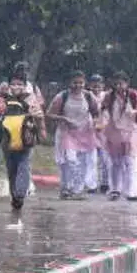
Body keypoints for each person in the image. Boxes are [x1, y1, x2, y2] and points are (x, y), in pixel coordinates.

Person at [0, 71, 46, 210]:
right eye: (13, 84)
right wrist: (2, 108)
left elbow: (39, 116)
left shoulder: (31, 99)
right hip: (7, 139)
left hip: (26, 138)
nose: (16, 87)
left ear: (25, 85)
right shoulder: (2, 98)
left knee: (24, 165)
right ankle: (14, 196)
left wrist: (41, 129)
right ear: (8, 85)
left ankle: (20, 194)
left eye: (19, 84)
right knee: (11, 168)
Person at [46, 70, 99, 200]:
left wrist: (96, 124)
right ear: (70, 83)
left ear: (84, 83)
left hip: (84, 133)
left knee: (81, 162)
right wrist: (64, 119)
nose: (78, 85)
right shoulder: (62, 96)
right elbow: (49, 114)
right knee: (69, 160)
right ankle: (66, 187)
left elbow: (96, 113)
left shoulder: (89, 96)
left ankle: (77, 189)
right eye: (75, 82)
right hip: (66, 133)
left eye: (81, 82)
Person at [101, 71, 137, 201]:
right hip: (114, 132)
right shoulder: (109, 96)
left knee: (130, 161)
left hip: (130, 132)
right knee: (115, 162)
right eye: (116, 83)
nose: (119, 86)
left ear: (127, 83)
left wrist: (134, 112)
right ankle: (115, 189)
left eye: (121, 83)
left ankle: (133, 192)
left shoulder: (133, 95)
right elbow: (102, 111)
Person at [86, 74, 110, 193]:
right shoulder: (86, 96)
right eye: (94, 86)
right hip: (89, 132)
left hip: (105, 132)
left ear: (103, 86)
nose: (96, 89)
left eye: (98, 86)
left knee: (105, 159)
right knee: (91, 160)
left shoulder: (107, 97)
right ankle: (92, 185)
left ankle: (105, 183)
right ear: (90, 86)